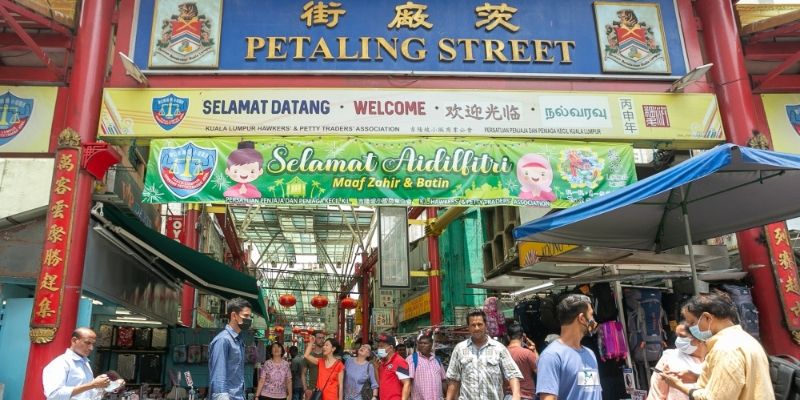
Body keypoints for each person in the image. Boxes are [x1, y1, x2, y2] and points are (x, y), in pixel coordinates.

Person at [660, 291, 774, 400]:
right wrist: (697, 377)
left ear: (707, 318)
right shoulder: (746, 339)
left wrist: (679, 385)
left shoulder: (725, 349)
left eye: (692, 323)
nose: (691, 328)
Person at [535, 294, 602, 400]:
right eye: (591, 315)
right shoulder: (552, 356)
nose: (594, 320)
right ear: (582, 318)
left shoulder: (590, 354)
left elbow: (591, 393)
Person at [445, 310, 522, 400]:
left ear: (485, 325)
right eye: (473, 325)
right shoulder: (460, 349)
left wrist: (516, 395)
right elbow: (454, 379)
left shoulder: (499, 348)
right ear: (468, 327)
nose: (477, 328)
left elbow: (512, 374)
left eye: (479, 324)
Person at [43, 327, 124, 399]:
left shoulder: (85, 363)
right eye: (87, 343)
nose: (91, 348)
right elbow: (54, 395)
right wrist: (92, 384)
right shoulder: (61, 363)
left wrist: (108, 386)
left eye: (93, 344)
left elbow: (89, 395)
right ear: (74, 340)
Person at [647, 323, 706, 400]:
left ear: (699, 338)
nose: (678, 340)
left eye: (682, 336)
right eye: (677, 336)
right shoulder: (670, 357)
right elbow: (656, 393)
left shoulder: (712, 358)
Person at [209, 297, 253, 400]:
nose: (249, 319)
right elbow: (219, 377)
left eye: (250, 316)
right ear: (234, 315)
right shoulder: (223, 340)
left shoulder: (239, 340)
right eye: (246, 315)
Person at [505, 323, 539, 400]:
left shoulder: (502, 352)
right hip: (527, 396)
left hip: (509, 396)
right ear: (523, 337)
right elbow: (540, 371)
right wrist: (534, 351)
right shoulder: (527, 353)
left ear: (508, 337)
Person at [406, 335, 446, 400]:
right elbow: (407, 382)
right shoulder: (412, 359)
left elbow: (443, 380)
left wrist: (447, 395)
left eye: (425, 343)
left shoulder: (437, 360)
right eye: (420, 343)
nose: (422, 345)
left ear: (431, 344)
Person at [376, 334, 411, 400]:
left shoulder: (399, 361)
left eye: (381, 346)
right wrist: (376, 368)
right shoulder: (382, 362)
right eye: (378, 346)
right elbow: (379, 383)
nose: (379, 349)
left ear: (391, 348)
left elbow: (407, 383)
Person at [305, 330, 327, 398]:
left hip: (326, 388)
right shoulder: (310, 355)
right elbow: (303, 373)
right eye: (319, 338)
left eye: (323, 338)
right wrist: (306, 389)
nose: (322, 340)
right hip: (312, 388)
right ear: (314, 339)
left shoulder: (327, 355)